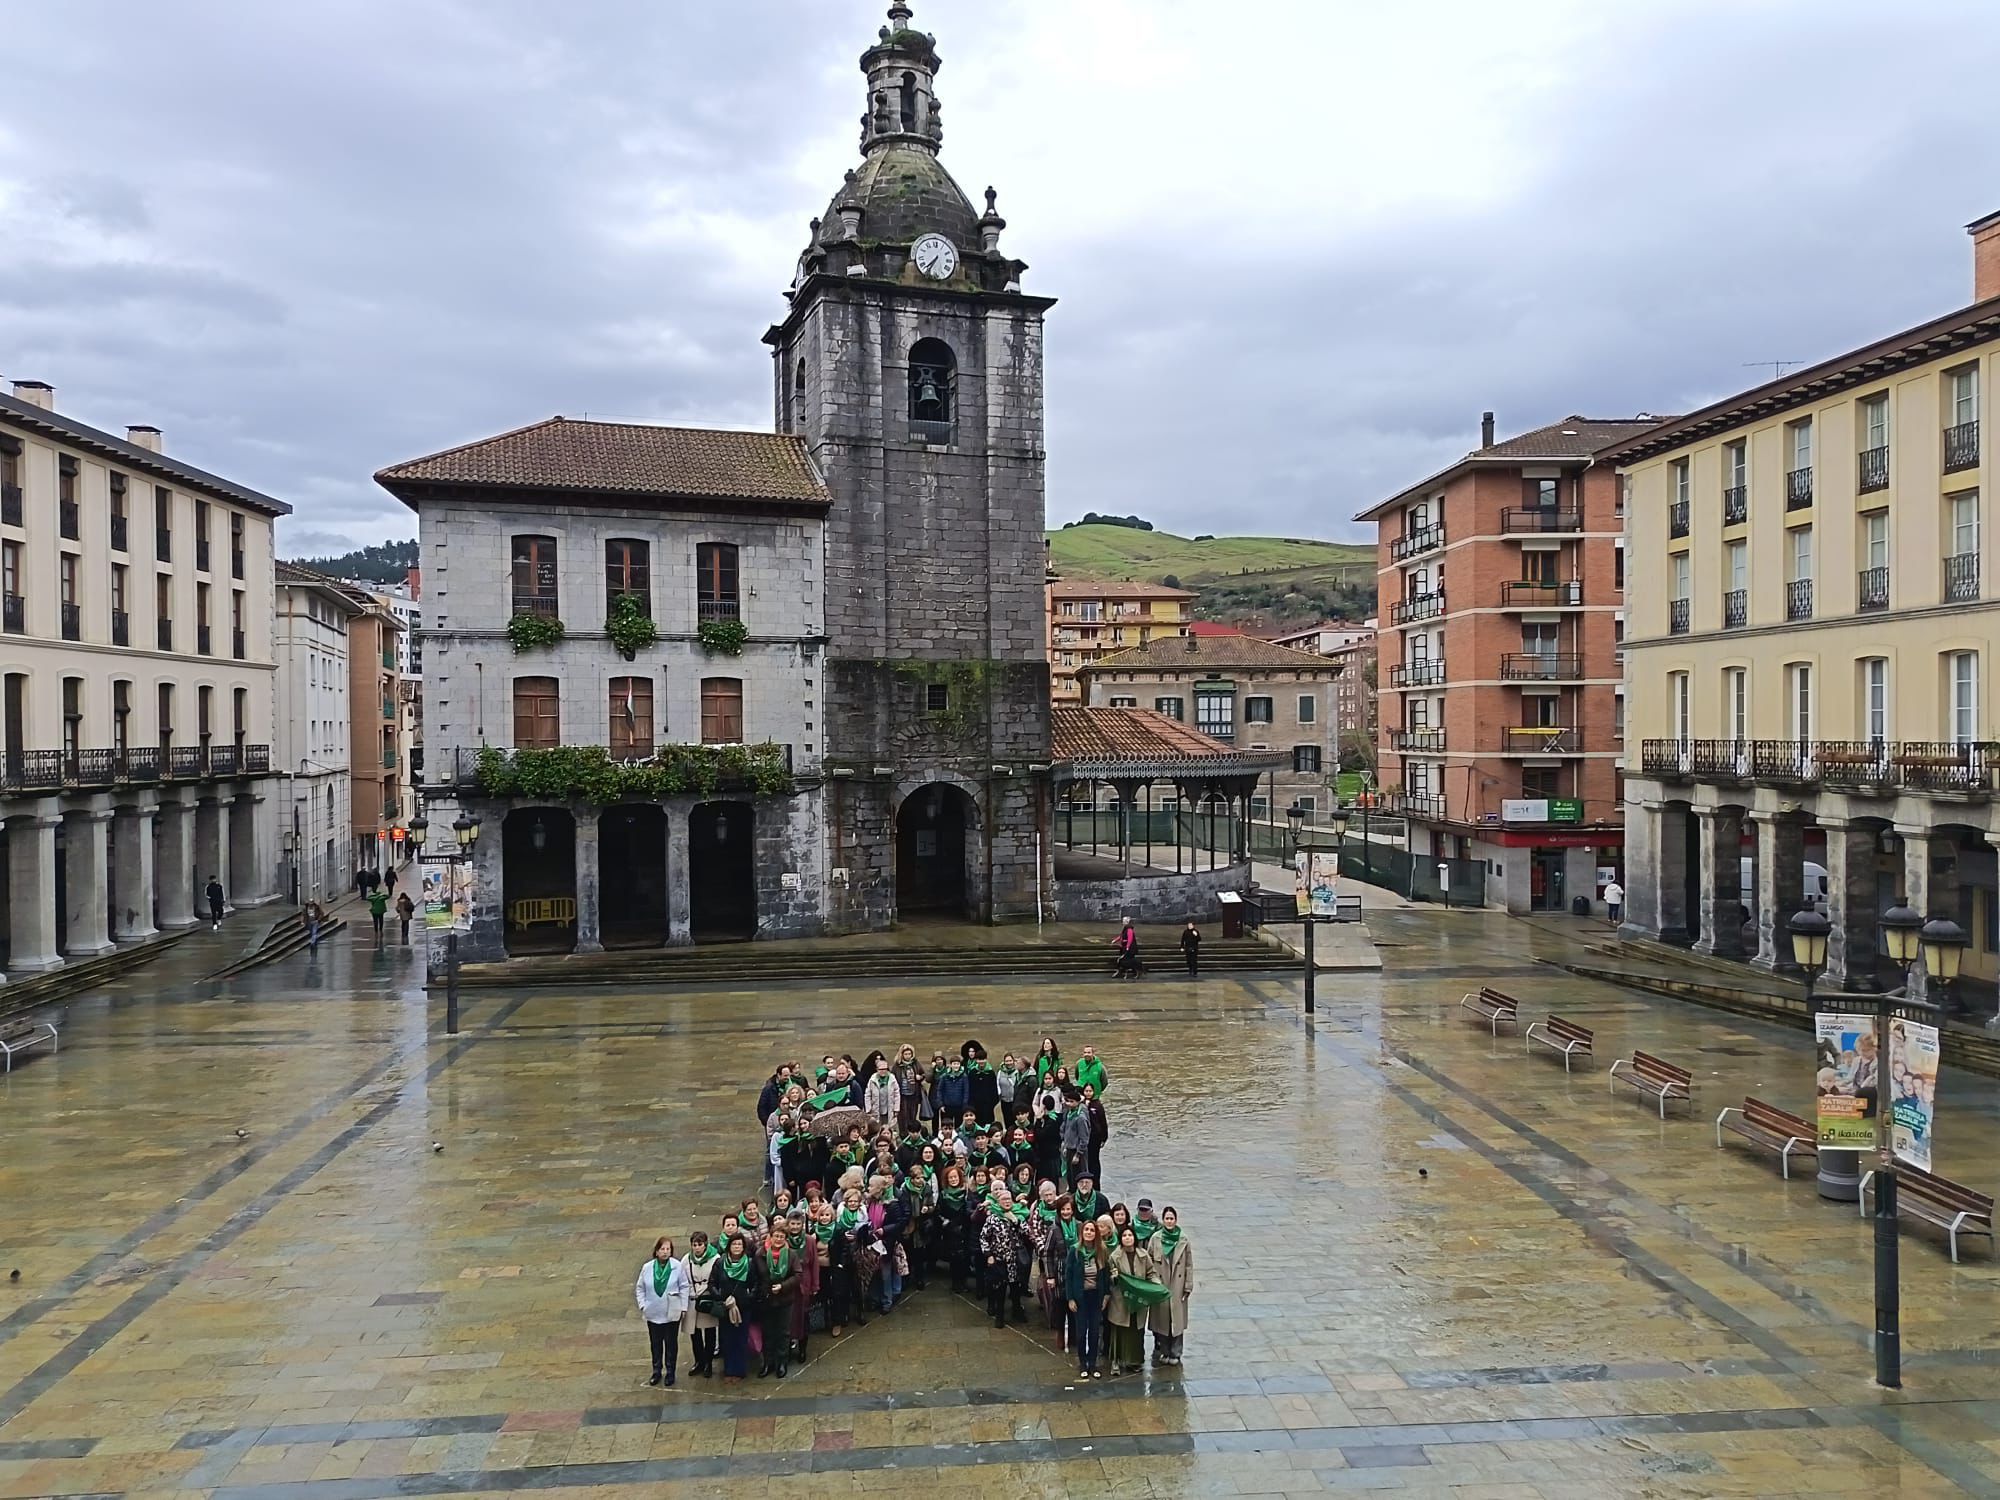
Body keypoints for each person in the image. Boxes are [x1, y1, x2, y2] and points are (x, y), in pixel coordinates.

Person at [634, 1235, 689, 1387]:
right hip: (653, 1312)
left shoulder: (677, 1266)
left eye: (668, 1249)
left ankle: (670, 1372)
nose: (665, 1252)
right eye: (662, 1249)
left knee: (671, 1344)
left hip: (671, 1312)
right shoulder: (647, 1268)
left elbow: (684, 1286)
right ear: (656, 1251)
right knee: (655, 1344)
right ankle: (656, 1370)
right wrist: (643, 1305)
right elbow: (640, 1288)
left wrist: (683, 1307)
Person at [1148, 1206, 1195, 1365]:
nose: (1169, 1221)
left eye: (1171, 1219)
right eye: (1167, 1218)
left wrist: (1188, 1285)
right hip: (1161, 1283)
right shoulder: (1155, 1238)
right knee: (1162, 1320)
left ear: (1175, 1220)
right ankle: (1164, 1351)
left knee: (1177, 1321)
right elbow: (1149, 1260)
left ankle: (1176, 1352)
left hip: (1177, 1285)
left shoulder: (1183, 1239)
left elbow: (1188, 1264)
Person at [711, 1232, 761, 1382]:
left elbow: (756, 1284)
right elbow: (712, 1283)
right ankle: (729, 1370)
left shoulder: (750, 1263)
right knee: (727, 1340)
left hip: (743, 1308)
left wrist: (747, 1298)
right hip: (726, 1307)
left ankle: (739, 1371)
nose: (737, 1247)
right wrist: (721, 1297)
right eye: (734, 1244)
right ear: (729, 1246)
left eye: (739, 1244)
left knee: (740, 1339)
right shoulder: (720, 1263)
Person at [1064, 1219, 1109, 1379]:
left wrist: (1106, 1296)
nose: (1089, 1233)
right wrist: (1070, 1298)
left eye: (1092, 1230)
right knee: (1081, 1332)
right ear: (1082, 1232)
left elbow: (1105, 1275)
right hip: (1080, 1297)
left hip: (1096, 1296)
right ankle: (1083, 1363)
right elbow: (1068, 1276)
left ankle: (1093, 1363)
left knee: (1095, 1332)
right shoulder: (1075, 1251)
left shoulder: (1101, 1251)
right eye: (1086, 1230)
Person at [1105, 1225, 1153, 1374]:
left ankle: (1134, 1361)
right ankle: (1116, 1361)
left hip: (1138, 1299)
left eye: (1130, 1235)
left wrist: (1153, 1286)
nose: (1127, 1238)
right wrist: (1114, 1277)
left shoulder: (1143, 1255)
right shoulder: (1115, 1256)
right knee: (1119, 1330)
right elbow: (1109, 1278)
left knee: (1136, 1330)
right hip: (1121, 1300)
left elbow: (1151, 1273)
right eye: (1124, 1235)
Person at [757, 1229, 795, 1378]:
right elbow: (757, 1276)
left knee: (783, 1332)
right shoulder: (760, 1254)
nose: (778, 1239)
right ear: (770, 1237)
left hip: (785, 1299)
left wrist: (783, 1286)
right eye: (776, 1236)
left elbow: (797, 1275)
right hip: (767, 1299)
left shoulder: (791, 1255)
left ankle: (782, 1363)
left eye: (781, 1237)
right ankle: (768, 1362)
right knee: (767, 1332)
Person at [685, 1231, 719, 1377]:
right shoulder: (687, 1260)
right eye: (694, 1245)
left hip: (708, 1298)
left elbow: (717, 1278)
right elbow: (683, 1279)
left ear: (705, 1245)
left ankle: (708, 1363)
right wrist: (691, 1291)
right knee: (694, 1333)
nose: (697, 1248)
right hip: (692, 1299)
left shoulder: (715, 1259)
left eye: (700, 1244)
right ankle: (699, 1361)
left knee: (710, 1332)